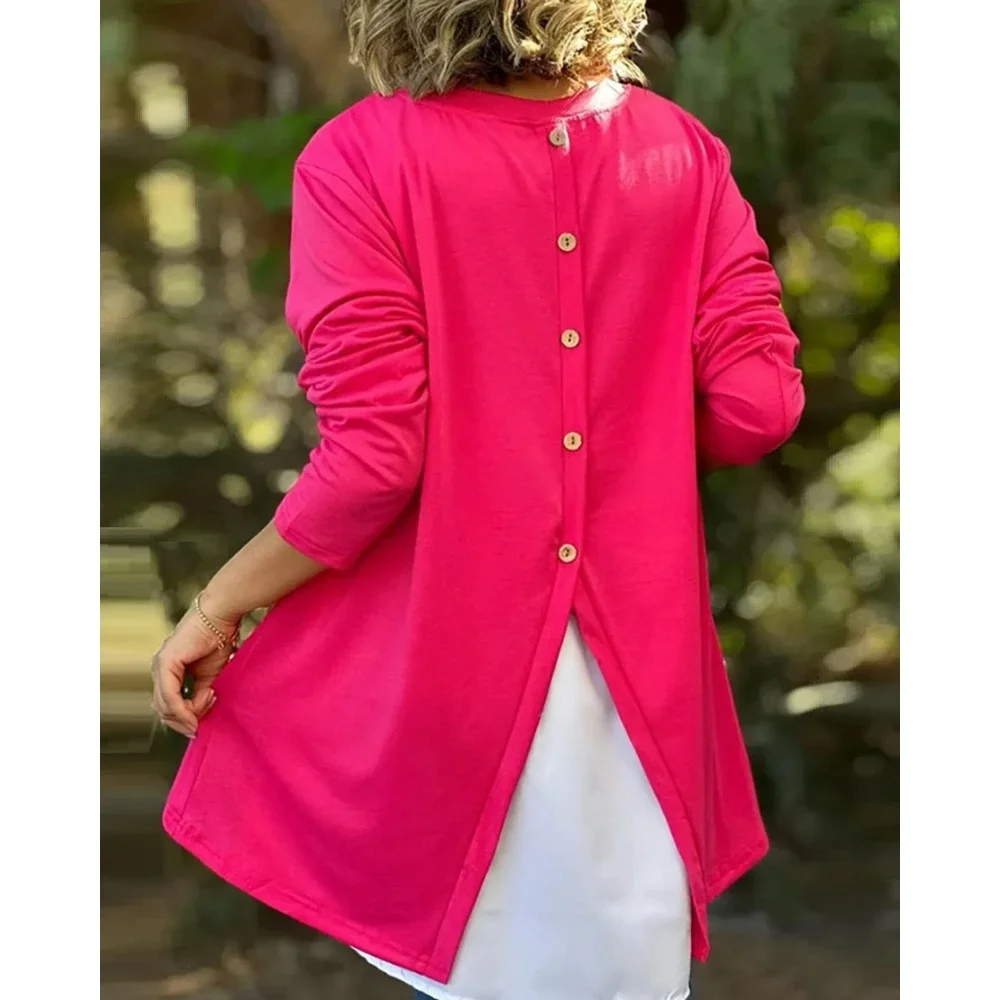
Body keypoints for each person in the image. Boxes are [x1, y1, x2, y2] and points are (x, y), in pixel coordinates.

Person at [151, 2, 805, 998]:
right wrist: (633, 458)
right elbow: (760, 406)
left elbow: (374, 459)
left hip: (447, 687)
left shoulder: (362, 157)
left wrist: (217, 605)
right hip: (643, 694)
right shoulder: (681, 150)